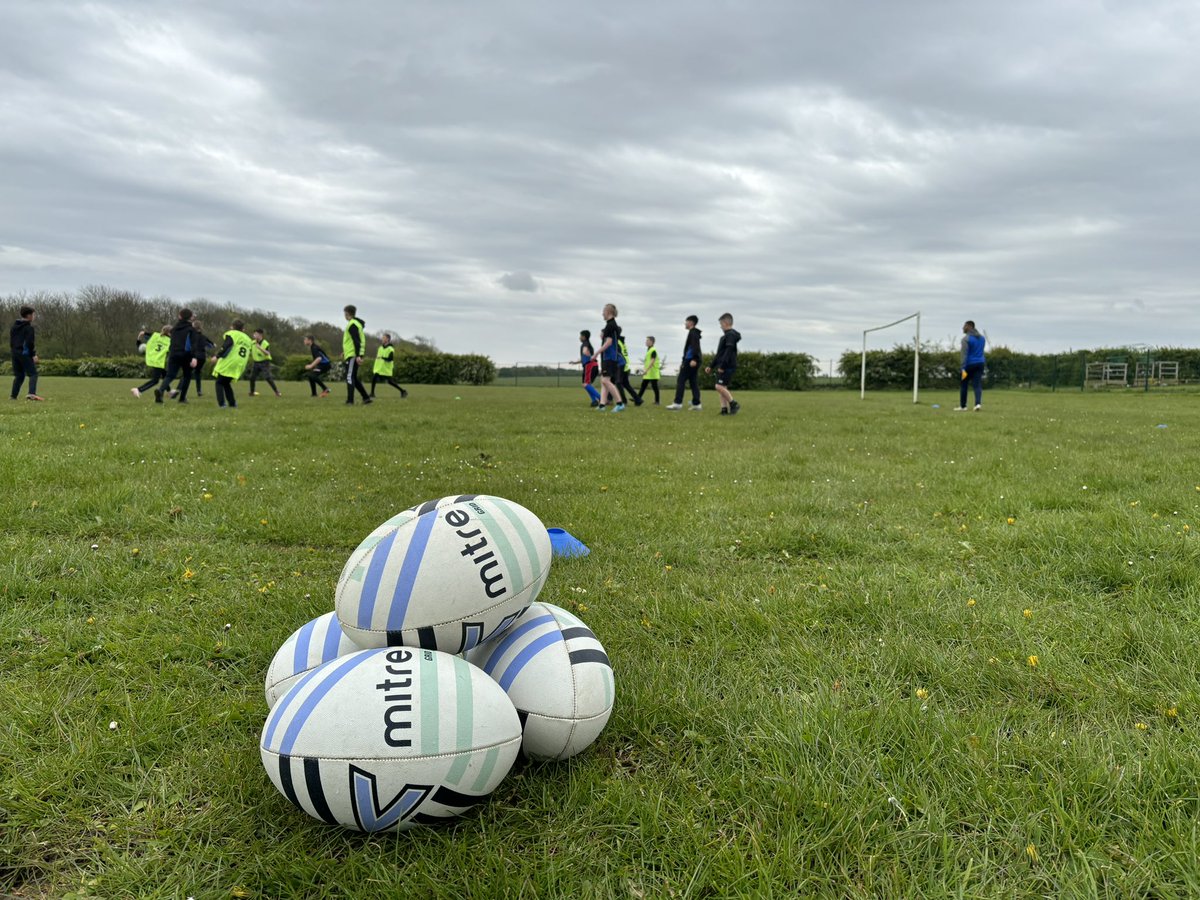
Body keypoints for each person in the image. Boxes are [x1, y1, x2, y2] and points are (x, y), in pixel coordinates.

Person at [156, 308, 199, 404]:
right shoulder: (191, 330)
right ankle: (182, 398)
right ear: (190, 317)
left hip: (173, 354)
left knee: (170, 375)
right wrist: (194, 357)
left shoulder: (174, 329)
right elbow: (193, 344)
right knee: (187, 375)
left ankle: (161, 390)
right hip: (185, 354)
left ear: (180, 316)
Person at [210, 319, 254, 408]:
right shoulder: (248, 339)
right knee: (226, 382)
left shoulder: (232, 334)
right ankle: (232, 403)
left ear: (232, 327)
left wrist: (217, 356)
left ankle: (222, 404)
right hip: (240, 363)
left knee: (219, 382)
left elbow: (226, 346)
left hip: (230, 361)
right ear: (243, 329)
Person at [706, 313, 741, 416]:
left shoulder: (731, 335)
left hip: (728, 366)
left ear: (726, 323)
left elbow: (728, 352)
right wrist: (711, 366)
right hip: (723, 365)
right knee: (722, 387)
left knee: (718, 386)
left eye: (721, 324)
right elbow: (719, 354)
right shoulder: (724, 337)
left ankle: (734, 404)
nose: (720, 326)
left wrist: (723, 366)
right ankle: (724, 410)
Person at [666, 315, 702, 410]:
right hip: (693, 360)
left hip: (690, 361)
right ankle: (696, 404)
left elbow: (695, 347)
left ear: (691, 322)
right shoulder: (694, 333)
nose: (685, 323)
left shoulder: (693, 333)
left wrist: (694, 359)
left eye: (686, 321)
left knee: (681, 380)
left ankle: (677, 403)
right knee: (693, 382)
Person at [9, 304, 43, 401]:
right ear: (28, 316)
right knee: (33, 374)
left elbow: (11, 342)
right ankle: (31, 394)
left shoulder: (14, 327)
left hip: (14, 353)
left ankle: (13, 396)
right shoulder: (29, 328)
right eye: (33, 315)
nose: (34, 317)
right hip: (24, 353)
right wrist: (33, 355)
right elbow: (29, 343)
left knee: (19, 375)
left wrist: (14, 352)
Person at [595, 303, 624, 412]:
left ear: (608, 312)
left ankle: (620, 403)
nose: (602, 313)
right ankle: (602, 405)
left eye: (603, 311)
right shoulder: (611, 325)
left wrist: (597, 352)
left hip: (610, 357)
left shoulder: (610, 325)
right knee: (604, 380)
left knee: (606, 381)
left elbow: (609, 342)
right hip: (608, 357)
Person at [342, 304, 372, 405]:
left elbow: (356, 341)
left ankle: (350, 401)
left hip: (353, 355)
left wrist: (358, 356)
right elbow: (352, 341)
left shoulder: (352, 324)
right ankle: (366, 398)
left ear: (347, 313)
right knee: (353, 377)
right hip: (352, 353)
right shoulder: (356, 323)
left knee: (349, 377)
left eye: (344, 313)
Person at [955, 320, 986, 411]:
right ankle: (978, 404)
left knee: (964, 384)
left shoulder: (966, 339)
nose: (963, 328)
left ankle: (963, 406)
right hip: (980, 363)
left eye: (964, 326)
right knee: (977, 384)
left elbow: (964, 354)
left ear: (969, 327)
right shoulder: (982, 338)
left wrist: (962, 367)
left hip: (969, 365)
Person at [132, 326, 171, 398]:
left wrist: (138, 340)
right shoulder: (169, 341)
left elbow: (143, 333)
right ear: (169, 333)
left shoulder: (155, 335)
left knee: (165, 375)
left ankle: (169, 392)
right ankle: (138, 390)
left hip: (152, 359)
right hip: (158, 361)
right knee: (155, 381)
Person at [370, 333, 408, 398]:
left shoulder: (391, 349)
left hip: (386, 369)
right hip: (379, 368)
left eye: (384, 338)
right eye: (382, 338)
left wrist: (382, 358)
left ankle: (403, 391)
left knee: (390, 382)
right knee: (374, 378)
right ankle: (372, 393)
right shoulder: (380, 348)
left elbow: (390, 359)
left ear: (387, 339)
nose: (382, 339)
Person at [248, 329, 282, 397]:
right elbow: (249, 350)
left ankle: (277, 392)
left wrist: (260, 348)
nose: (254, 335)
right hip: (256, 362)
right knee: (252, 377)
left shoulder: (265, 343)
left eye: (256, 334)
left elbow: (268, 353)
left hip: (264, 362)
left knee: (267, 377)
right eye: (254, 334)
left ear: (260, 335)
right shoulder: (252, 343)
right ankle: (252, 392)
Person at [190, 319, 215, 398]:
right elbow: (213, 345)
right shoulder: (204, 337)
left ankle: (178, 390)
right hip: (202, 357)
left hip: (194, 356)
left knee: (187, 373)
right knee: (197, 373)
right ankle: (199, 391)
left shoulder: (192, 335)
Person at [637, 336, 661, 405]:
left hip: (652, 372)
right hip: (648, 372)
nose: (646, 342)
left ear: (652, 342)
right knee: (643, 386)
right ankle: (638, 399)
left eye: (647, 340)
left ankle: (657, 401)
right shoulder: (649, 350)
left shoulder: (653, 350)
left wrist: (646, 370)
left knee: (654, 387)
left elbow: (652, 361)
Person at [617, 335, 641, 406]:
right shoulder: (622, 342)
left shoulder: (617, 342)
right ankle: (638, 399)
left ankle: (623, 401)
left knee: (618, 383)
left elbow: (618, 354)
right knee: (626, 385)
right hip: (626, 366)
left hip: (621, 366)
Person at [579, 330, 601, 407]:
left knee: (586, 384)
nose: (579, 337)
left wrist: (585, 352)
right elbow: (585, 357)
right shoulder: (588, 344)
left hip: (590, 366)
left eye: (580, 336)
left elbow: (585, 352)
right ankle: (594, 401)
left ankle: (601, 398)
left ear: (584, 337)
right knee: (586, 384)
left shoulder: (585, 344)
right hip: (591, 365)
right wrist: (575, 362)